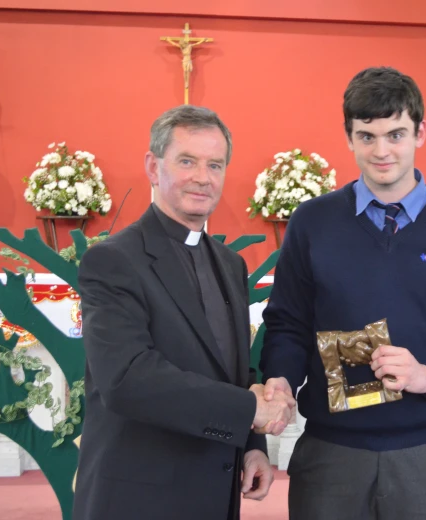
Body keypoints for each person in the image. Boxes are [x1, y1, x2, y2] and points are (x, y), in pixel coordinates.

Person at [259, 66, 426, 520]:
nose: (382, 150)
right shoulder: (312, 222)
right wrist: (280, 379)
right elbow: (287, 322)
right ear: (349, 137)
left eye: (396, 134)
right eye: (366, 136)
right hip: (331, 453)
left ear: (420, 132)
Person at [73, 105, 294, 520]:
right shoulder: (113, 260)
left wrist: (252, 446)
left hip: (215, 492)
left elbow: (233, 367)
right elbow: (126, 378)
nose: (202, 177)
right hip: (138, 498)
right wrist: (250, 410)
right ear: (153, 167)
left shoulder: (231, 263)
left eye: (215, 164)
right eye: (187, 161)